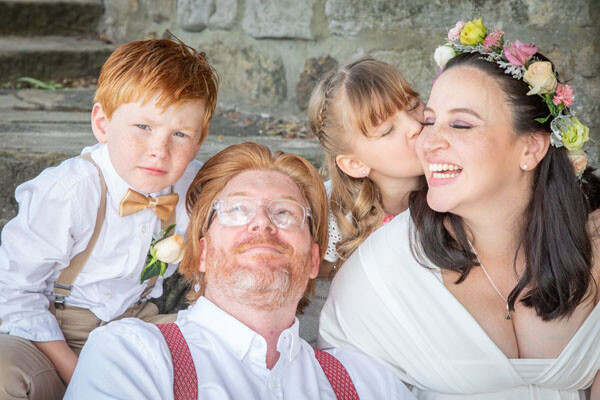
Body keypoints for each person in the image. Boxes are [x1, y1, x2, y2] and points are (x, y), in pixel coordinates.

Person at [319, 18, 600, 398]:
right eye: (432, 120)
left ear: (531, 148)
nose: (425, 138)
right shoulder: (380, 273)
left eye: (461, 125)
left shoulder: (590, 238)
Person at [64, 142, 415, 399]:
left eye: (285, 213)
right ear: (201, 252)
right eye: (236, 210)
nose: (261, 223)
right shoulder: (132, 355)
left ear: (312, 259)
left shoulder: (369, 383)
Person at [0, 37, 218, 399]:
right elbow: (14, 293)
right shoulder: (68, 192)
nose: (159, 151)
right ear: (103, 124)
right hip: (56, 332)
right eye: (143, 127)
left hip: (137, 324)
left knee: (222, 353)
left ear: (198, 141)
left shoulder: (194, 186)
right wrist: (78, 371)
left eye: (180, 134)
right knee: (5, 373)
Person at [299, 58, 424, 344]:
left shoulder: (453, 190)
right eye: (388, 130)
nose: (414, 125)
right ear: (355, 163)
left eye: (413, 104)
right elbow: (313, 315)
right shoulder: (330, 218)